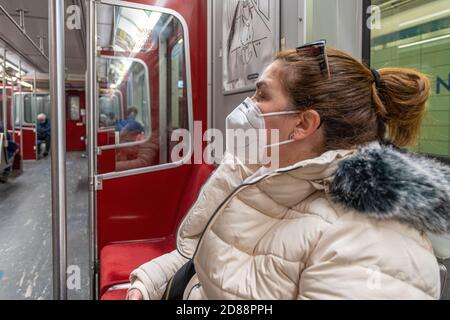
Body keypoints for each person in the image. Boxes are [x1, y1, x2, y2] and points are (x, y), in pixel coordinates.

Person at [127, 45, 450, 300]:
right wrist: (149, 284)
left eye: (261, 95)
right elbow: (203, 256)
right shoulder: (260, 170)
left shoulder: (373, 244)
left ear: (303, 123)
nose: (248, 105)